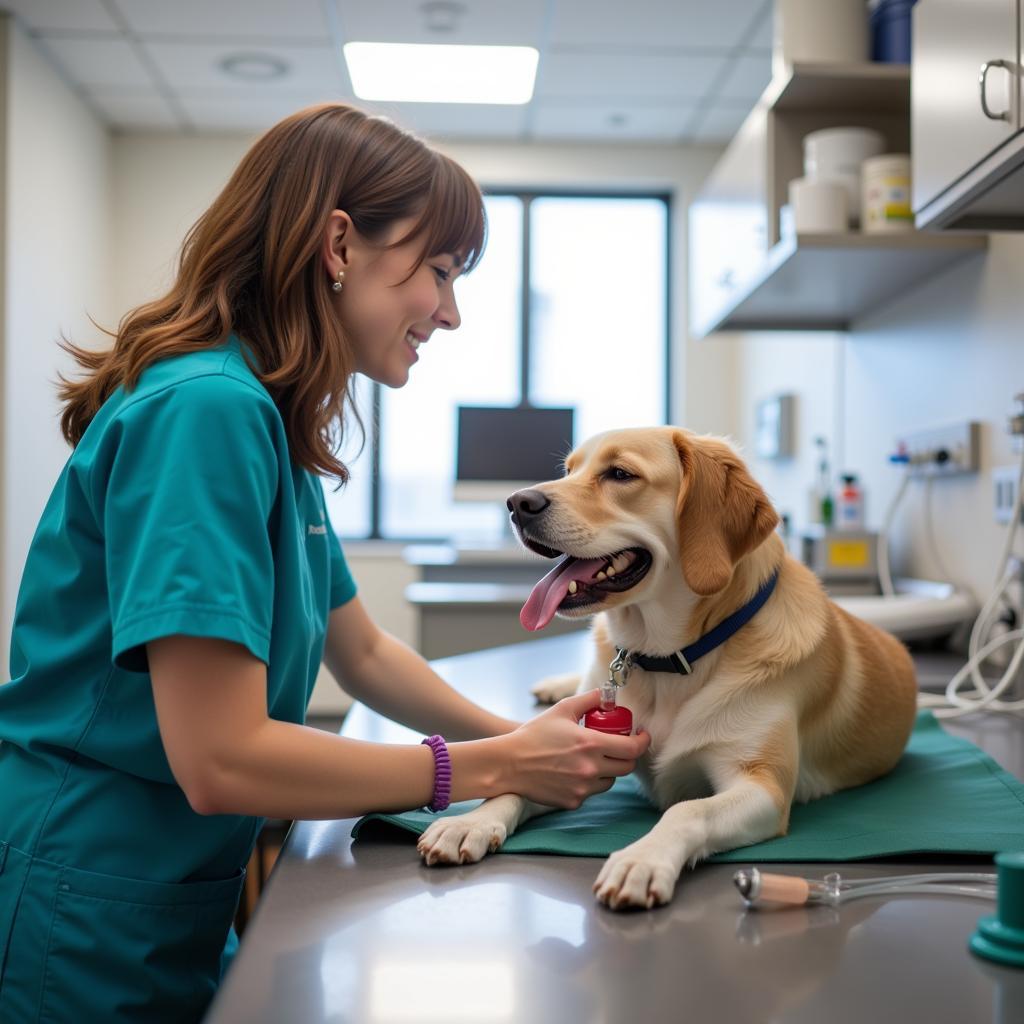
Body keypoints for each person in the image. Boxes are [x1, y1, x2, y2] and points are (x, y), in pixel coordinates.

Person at [0, 103, 649, 1023]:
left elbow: (365, 653)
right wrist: (493, 764)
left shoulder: (261, 413)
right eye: (439, 271)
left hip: (166, 890)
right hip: (88, 897)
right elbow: (221, 759)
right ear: (339, 244)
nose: (452, 313)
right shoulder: (208, 414)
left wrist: (534, 750)